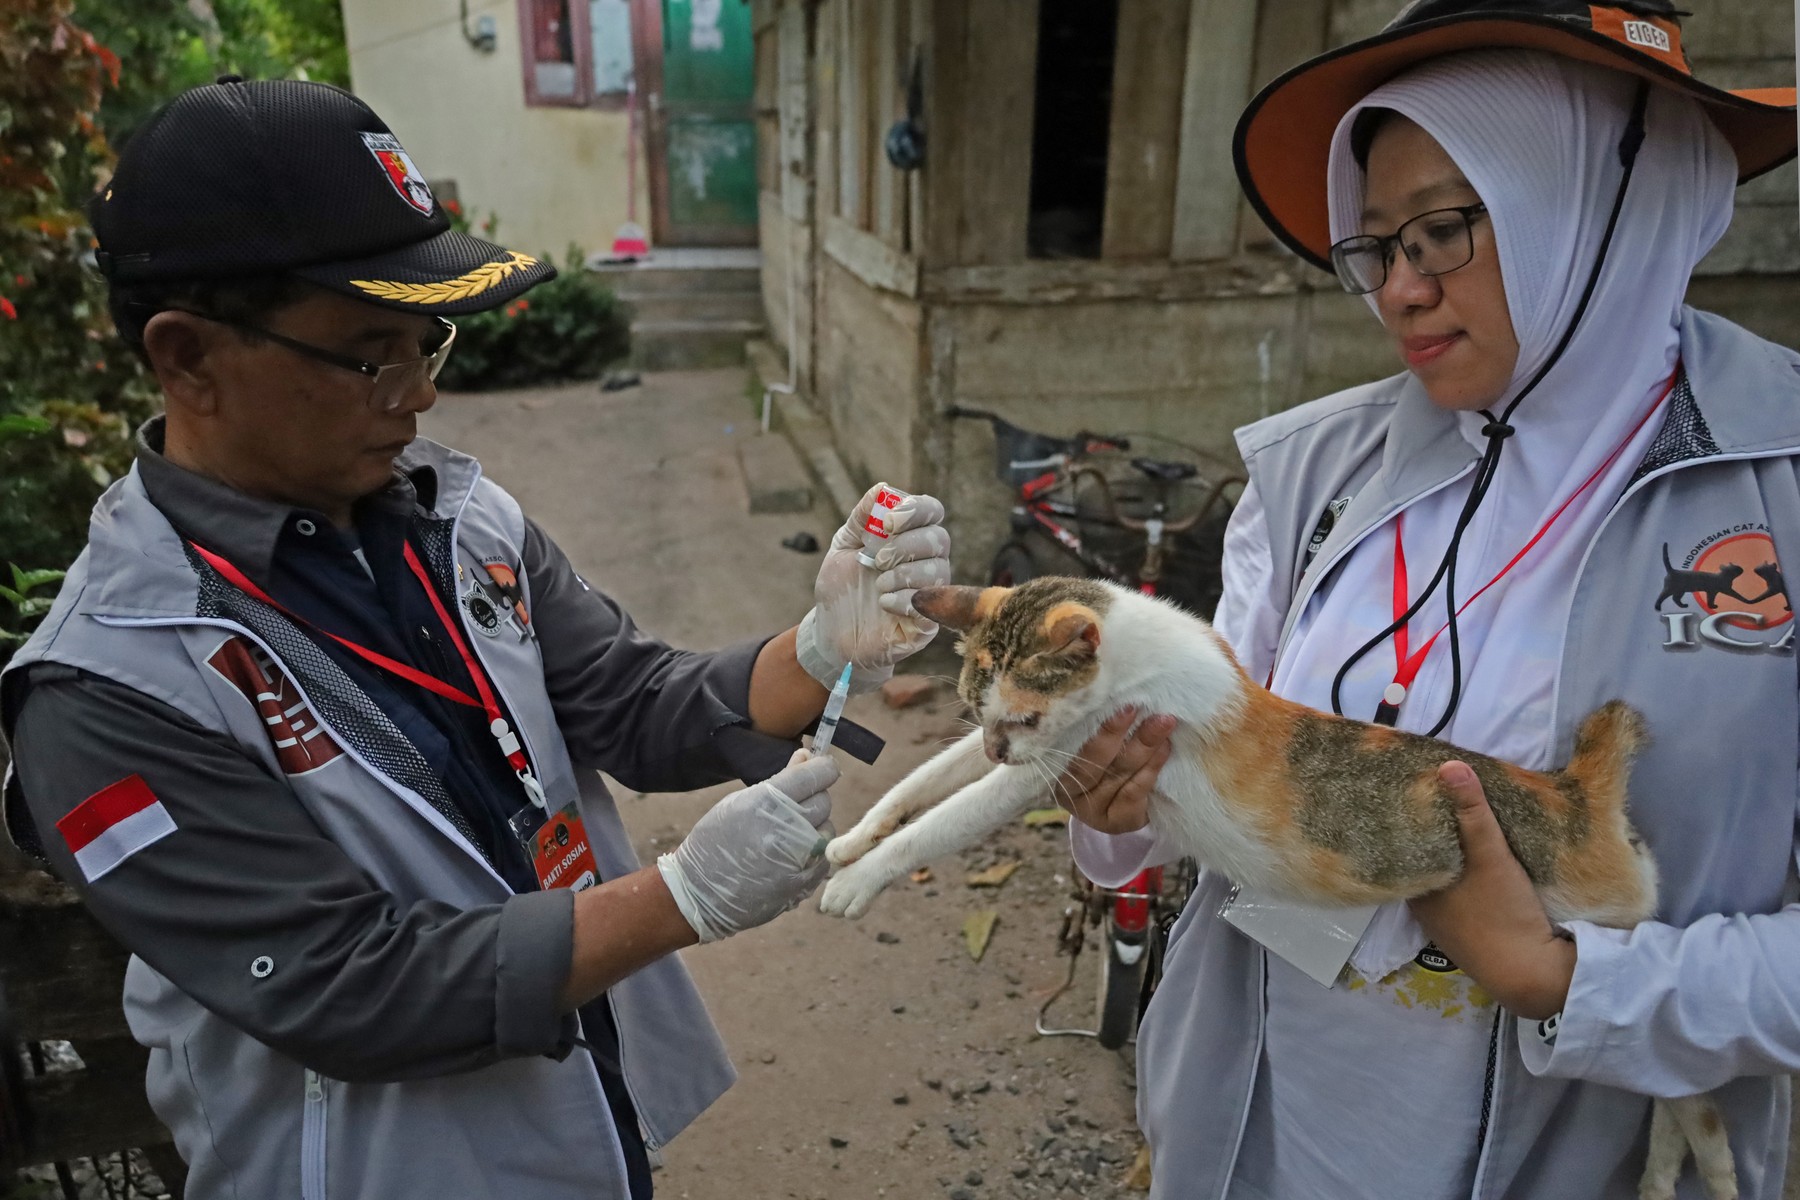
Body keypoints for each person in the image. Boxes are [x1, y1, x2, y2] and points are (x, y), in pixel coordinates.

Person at [0, 79, 950, 1199]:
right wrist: (679, 898)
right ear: (189, 356)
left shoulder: (457, 523)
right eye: (368, 354)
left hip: (578, 1125)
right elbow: (343, 987)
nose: (418, 398)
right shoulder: (110, 684)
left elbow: (630, 702)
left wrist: (824, 646)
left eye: (426, 344)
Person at [1052, 3, 1800, 1197]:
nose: (1398, 291)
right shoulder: (1316, 477)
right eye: (1374, 248)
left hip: (1580, 1155)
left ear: (1608, 199)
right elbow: (1165, 806)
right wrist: (1112, 804)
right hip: (1252, 1131)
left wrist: (1561, 977)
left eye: (1444, 230)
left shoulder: (1780, 490)